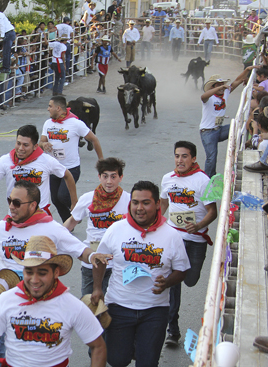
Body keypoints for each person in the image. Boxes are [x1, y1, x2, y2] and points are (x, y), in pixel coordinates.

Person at [92, 180, 190, 367]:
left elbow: (181, 270)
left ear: (156, 205)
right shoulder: (116, 230)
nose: (139, 208)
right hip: (119, 306)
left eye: (146, 203)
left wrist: (167, 282)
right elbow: (99, 260)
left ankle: (141, 346)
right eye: (135, 202)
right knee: (116, 359)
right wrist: (97, 288)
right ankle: (132, 344)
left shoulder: (171, 235)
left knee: (147, 362)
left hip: (155, 310)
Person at [0, 235, 107, 367]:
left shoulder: (72, 305)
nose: (34, 280)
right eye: (29, 272)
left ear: (56, 273)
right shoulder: (6, 299)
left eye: (42, 273)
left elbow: (98, 347)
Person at [160, 141, 218, 346]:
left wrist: (199, 225)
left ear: (193, 158)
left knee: (191, 279)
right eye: (177, 156)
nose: (180, 160)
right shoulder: (168, 179)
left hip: (195, 240)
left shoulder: (203, 181)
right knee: (173, 283)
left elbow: (213, 211)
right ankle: (172, 330)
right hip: (174, 238)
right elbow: (164, 204)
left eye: (184, 156)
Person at [64, 157, 129, 297]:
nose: (109, 181)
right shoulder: (88, 198)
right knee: (89, 304)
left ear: (121, 177)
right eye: (105, 176)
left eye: (113, 176)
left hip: (118, 264)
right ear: (99, 177)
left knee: (114, 308)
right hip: (91, 263)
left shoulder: (129, 200)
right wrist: (54, 239)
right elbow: (71, 222)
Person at [0, 124, 77, 215]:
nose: (20, 148)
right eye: (18, 143)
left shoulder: (46, 161)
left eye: (25, 145)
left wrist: (74, 202)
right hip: (15, 215)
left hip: (39, 216)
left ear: (35, 146)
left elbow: (67, 175)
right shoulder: (5, 160)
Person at [39, 96, 103, 222]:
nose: (48, 109)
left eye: (50, 106)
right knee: (56, 200)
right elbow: (41, 142)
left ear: (58, 108)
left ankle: (78, 209)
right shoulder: (48, 123)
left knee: (62, 196)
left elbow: (94, 139)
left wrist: (101, 160)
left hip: (71, 167)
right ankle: (68, 222)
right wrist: (43, 145)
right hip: (53, 168)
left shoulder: (76, 124)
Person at [200, 67, 256, 177]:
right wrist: (220, 88)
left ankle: (243, 148)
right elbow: (203, 96)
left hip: (219, 130)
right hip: (207, 132)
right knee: (212, 157)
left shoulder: (225, 93)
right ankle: (208, 180)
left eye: (222, 85)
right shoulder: (208, 99)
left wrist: (247, 70)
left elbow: (237, 81)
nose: (221, 88)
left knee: (237, 128)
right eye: (218, 85)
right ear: (213, 87)